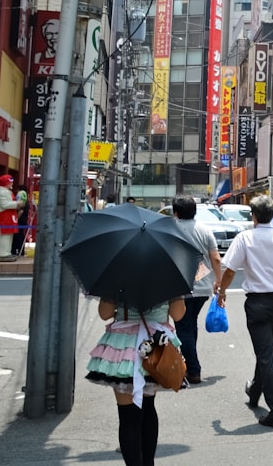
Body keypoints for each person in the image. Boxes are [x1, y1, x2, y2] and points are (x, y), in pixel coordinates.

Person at [217, 195, 273, 429]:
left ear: (253, 216)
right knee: (265, 349)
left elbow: (231, 270)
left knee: (266, 354)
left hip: (256, 303)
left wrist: (221, 291)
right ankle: (254, 392)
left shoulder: (245, 238)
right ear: (272, 214)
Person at [85, 295, 186, 466]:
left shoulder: (117, 272)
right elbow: (178, 315)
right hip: (154, 346)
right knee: (148, 408)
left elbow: (104, 313)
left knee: (128, 417)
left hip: (122, 346)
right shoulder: (167, 273)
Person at [170, 194, 222, 385]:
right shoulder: (204, 229)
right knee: (190, 325)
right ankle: (189, 364)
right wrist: (219, 282)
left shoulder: (170, 228)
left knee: (183, 327)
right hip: (202, 287)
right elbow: (216, 258)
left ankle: (192, 370)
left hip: (178, 286)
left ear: (176, 212)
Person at [0, 174, 20, 261]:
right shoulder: (1, 192)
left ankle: (7, 253)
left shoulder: (6, 191)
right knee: (3, 237)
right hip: (2, 217)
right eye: (10, 182)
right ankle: (2, 254)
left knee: (8, 237)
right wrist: (17, 204)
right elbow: (4, 205)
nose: (11, 184)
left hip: (8, 217)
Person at [12, 185, 31, 257]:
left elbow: (21, 211)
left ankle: (18, 251)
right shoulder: (26, 200)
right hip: (23, 220)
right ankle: (19, 251)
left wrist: (16, 219)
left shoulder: (22, 200)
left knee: (18, 236)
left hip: (20, 220)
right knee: (19, 235)